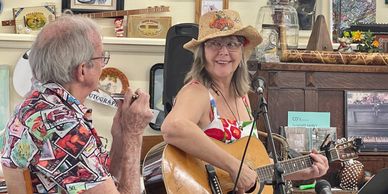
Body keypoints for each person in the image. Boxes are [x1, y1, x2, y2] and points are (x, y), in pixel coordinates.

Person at [161, 9, 329, 193]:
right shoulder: (197, 92)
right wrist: (234, 167)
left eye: (232, 44)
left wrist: (301, 172)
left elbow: (254, 168)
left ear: (242, 51)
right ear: (202, 51)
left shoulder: (243, 97)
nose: (223, 52)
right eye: (215, 44)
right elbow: (173, 127)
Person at [0, 15, 153, 194]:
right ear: (82, 70)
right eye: (101, 58)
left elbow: (102, 183)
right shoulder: (65, 128)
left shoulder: (32, 107)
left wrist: (121, 135)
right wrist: (134, 134)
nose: (103, 65)